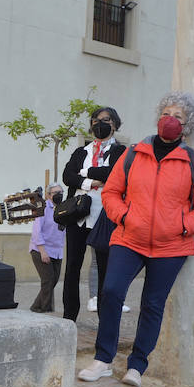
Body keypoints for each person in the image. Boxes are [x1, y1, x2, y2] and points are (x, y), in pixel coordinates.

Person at [77, 92, 194, 387]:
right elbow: (111, 192)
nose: (170, 120)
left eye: (178, 117)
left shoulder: (193, 160)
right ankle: (103, 359)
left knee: (153, 304)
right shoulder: (133, 153)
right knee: (112, 292)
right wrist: (125, 217)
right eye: (167, 113)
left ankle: (137, 365)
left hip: (170, 246)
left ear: (186, 126)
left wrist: (181, 226)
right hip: (129, 238)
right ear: (158, 117)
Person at [61, 107, 124, 319]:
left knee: (105, 270)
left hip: (105, 217)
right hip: (78, 215)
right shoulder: (82, 152)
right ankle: (69, 317)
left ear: (114, 124)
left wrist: (84, 173)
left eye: (105, 120)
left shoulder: (121, 152)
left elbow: (114, 173)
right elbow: (67, 176)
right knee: (72, 269)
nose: (100, 124)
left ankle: (104, 320)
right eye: (96, 121)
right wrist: (93, 182)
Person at [29, 185, 64, 313]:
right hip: (41, 250)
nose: (59, 194)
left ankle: (36, 307)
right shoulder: (43, 209)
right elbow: (36, 232)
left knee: (53, 281)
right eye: (56, 192)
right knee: (48, 280)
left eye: (61, 192)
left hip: (57, 251)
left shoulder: (63, 208)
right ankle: (45, 309)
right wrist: (43, 251)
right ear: (48, 195)